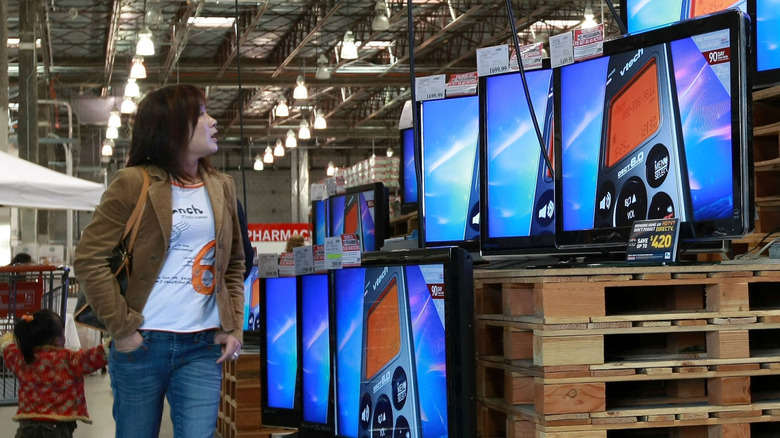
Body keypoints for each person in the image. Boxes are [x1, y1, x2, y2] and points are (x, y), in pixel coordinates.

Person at [73, 84, 245, 438]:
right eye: (201, 114)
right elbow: (89, 258)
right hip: (142, 342)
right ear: (172, 127)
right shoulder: (132, 183)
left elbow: (233, 265)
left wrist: (234, 326)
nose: (213, 121)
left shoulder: (222, 186)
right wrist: (122, 329)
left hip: (202, 346)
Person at [0, 309, 108, 438]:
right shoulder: (68, 359)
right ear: (58, 339)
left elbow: (8, 350)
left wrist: (6, 340)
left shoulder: (22, 358)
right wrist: (112, 343)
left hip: (26, 426)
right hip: (57, 428)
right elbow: (93, 357)